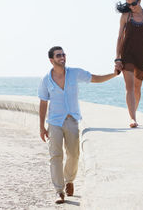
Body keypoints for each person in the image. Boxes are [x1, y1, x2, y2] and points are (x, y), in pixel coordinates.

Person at [38, 46, 117, 204]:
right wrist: (41, 126)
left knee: (74, 154)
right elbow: (43, 103)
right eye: (58, 55)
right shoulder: (46, 79)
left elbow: (95, 78)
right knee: (55, 156)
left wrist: (114, 74)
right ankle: (59, 191)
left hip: (72, 120)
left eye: (63, 54)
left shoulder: (75, 73)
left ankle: (69, 180)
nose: (62, 57)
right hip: (54, 122)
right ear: (51, 60)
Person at [114, 0, 143, 128]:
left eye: (133, 4)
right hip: (127, 55)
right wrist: (117, 57)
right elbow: (120, 37)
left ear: (140, 0)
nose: (131, 7)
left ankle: (133, 113)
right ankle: (132, 118)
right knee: (130, 87)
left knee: (137, 88)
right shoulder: (126, 16)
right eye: (128, 4)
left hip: (142, 56)